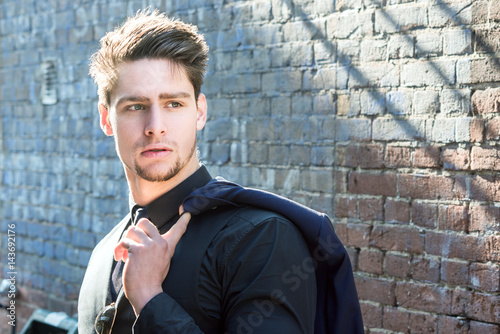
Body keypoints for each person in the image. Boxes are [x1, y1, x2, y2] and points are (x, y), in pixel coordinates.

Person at [78, 9, 362, 334]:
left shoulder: (261, 239)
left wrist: (150, 299)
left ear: (199, 112)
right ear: (105, 119)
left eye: (174, 104)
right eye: (135, 107)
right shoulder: (103, 255)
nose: (155, 127)